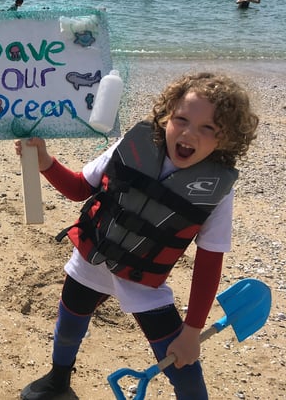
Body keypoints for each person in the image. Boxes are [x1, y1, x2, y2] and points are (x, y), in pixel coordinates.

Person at [15, 72, 258, 400]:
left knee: (182, 364)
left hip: (144, 282)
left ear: (226, 138)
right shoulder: (133, 144)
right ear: (167, 114)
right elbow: (78, 189)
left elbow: (209, 262)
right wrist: (45, 162)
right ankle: (58, 381)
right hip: (91, 258)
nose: (188, 134)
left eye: (208, 128)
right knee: (68, 325)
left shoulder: (217, 190)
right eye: (181, 119)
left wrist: (192, 330)